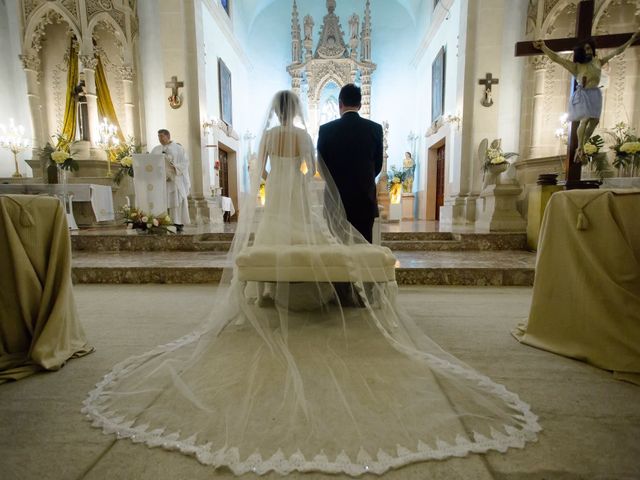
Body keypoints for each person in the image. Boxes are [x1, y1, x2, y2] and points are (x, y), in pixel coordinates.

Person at [83, 90, 540, 476]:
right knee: (349, 244)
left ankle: (266, 292)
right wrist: (316, 179)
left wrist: (270, 181)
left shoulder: (276, 135)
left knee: (276, 238)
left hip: (278, 196)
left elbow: (259, 173)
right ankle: (349, 292)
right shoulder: (312, 135)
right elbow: (324, 171)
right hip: (340, 194)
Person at [534, 31, 640, 162]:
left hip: (595, 93)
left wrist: (631, 40)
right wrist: (544, 47)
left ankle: (581, 147)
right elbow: (557, 58)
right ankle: (580, 147)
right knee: (585, 119)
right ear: (581, 52)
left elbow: (617, 52)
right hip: (583, 94)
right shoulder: (577, 67)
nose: (588, 51)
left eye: (589, 48)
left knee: (595, 121)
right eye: (585, 49)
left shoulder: (597, 62)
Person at [317, 83, 383, 243]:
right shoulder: (375, 129)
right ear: (360, 105)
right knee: (364, 248)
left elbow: (321, 164)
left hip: (335, 201)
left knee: (337, 250)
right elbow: (378, 164)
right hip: (364, 200)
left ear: (340, 104)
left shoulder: (326, 130)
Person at [151, 129, 190, 232]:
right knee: (162, 201)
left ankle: (176, 222)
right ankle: (162, 221)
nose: (160, 138)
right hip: (161, 181)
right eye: (158, 136)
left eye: (162, 136)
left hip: (174, 180)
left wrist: (175, 167)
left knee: (175, 202)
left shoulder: (178, 148)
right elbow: (151, 163)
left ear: (168, 136)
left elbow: (185, 163)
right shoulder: (155, 150)